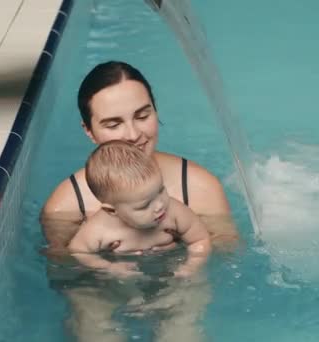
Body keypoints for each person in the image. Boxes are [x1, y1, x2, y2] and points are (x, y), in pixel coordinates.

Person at [41, 61, 238, 253]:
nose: (133, 134)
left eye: (142, 116)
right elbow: (63, 271)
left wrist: (178, 254)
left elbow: (228, 256)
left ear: (155, 110)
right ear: (89, 131)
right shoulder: (67, 204)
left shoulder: (200, 187)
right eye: (113, 125)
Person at [68, 140, 211, 278]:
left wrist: (191, 266)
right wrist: (107, 267)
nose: (159, 205)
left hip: (170, 266)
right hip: (125, 277)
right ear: (112, 211)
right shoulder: (99, 229)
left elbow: (200, 239)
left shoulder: (174, 213)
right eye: (144, 205)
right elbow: (78, 252)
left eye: (161, 191)